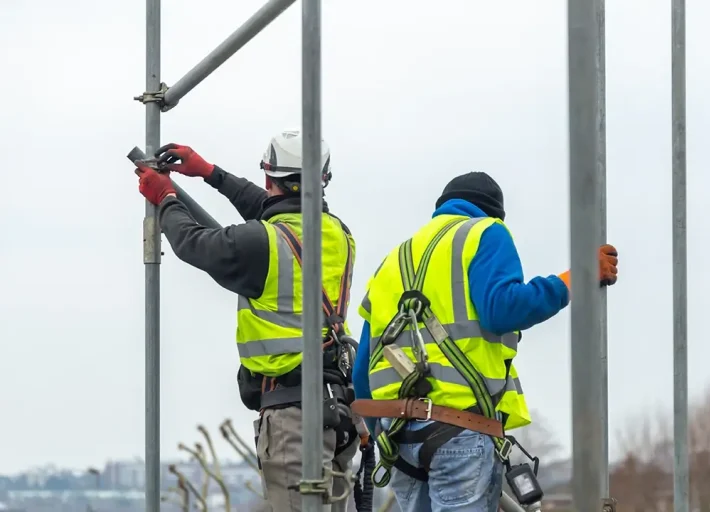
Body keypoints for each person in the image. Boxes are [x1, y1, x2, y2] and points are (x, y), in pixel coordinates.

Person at [350, 171, 619, 512]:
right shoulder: (486, 232)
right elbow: (503, 309)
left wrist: (384, 433)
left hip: (397, 438)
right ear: (494, 213)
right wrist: (578, 276)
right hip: (459, 430)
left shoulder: (392, 260)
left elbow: (362, 372)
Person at [133, 130, 362, 512]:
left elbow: (194, 243)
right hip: (337, 410)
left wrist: (166, 198)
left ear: (269, 178)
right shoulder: (337, 232)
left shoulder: (263, 243)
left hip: (294, 417)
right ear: (322, 181)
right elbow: (272, 208)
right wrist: (210, 172)